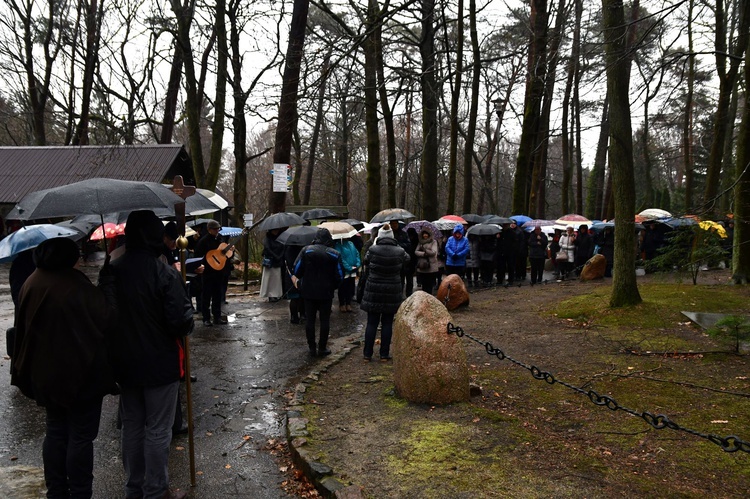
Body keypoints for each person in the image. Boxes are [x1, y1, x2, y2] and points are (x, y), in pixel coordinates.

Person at [12, 237, 117, 499]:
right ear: (66, 258)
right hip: (78, 373)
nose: (80, 258)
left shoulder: (33, 280)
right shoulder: (71, 284)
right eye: (77, 254)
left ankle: (56, 491)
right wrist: (107, 284)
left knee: (56, 432)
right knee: (80, 436)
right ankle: (80, 492)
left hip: (45, 373)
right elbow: (106, 316)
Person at [108, 210, 194, 499]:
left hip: (124, 363)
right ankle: (155, 490)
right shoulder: (165, 273)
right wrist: (188, 311)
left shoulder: (112, 271)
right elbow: (179, 323)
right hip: (159, 362)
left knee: (132, 426)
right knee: (157, 429)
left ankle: (134, 487)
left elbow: (105, 316)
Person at [292, 228, 344, 357]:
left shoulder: (306, 250)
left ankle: (311, 348)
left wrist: (300, 283)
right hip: (326, 292)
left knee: (310, 320)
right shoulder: (335, 254)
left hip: (308, 291)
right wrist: (333, 286)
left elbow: (297, 269)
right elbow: (340, 275)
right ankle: (322, 347)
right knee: (324, 320)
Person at [361, 226, 409, 361]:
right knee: (387, 323)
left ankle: (367, 354)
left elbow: (366, 260)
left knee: (371, 323)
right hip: (392, 290)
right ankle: (384, 354)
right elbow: (407, 259)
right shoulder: (399, 251)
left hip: (374, 289)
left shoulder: (373, 249)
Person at [195, 219, 229, 326]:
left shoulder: (220, 239)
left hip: (219, 271)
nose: (217, 231)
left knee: (217, 295)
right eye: (215, 229)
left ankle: (217, 317)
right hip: (208, 272)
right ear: (209, 230)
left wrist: (229, 251)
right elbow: (198, 256)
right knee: (206, 295)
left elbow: (225, 255)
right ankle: (206, 318)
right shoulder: (203, 241)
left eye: (218, 229)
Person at [335, 236, 361, 312]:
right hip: (345, 271)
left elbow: (357, 254)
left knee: (350, 287)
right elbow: (341, 259)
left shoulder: (351, 243)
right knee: (342, 287)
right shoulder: (338, 245)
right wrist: (349, 267)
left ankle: (348, 303)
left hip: (353, 270)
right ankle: (342, 304)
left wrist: (357, 264)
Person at [260, 228, 285, 302]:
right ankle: (270, 295)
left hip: (278, 261)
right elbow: (267, 248)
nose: (276, 232)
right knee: (269, 278)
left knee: (277, 279)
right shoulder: (267, 238)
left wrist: (280, 256)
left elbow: (283, 247)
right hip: (270, 262)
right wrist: (276, 256)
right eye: (274, 230)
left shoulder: (280, 238)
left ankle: (276, 294)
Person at [391, 220, 415, 297]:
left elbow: (408, 245)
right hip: (395, 261)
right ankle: (399, 295)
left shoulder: (404, 234)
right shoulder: (389, 234)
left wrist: (398, 244)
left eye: (395, 224)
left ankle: (409, 295)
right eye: (392, 224)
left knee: (409, 280)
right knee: (399, 280)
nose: (394, 225)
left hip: (406, 260)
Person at [414, 228, 439, 295]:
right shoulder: (420, 242)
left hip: (430, 265)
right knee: (424, 283)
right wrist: (423, 254)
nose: (425, 235)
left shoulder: (433, 242)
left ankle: (429, 296)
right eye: (424, 234)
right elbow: (416, 251)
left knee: (429, 283)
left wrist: (425, 250)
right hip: (422, 265)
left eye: (426, 234)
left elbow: (433, 252)